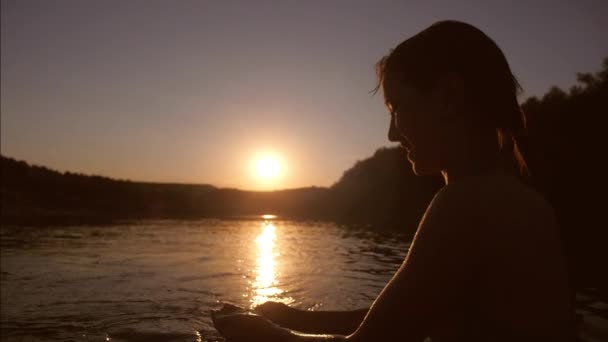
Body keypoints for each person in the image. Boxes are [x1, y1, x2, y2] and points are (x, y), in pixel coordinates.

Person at [211, 20, 575, 341]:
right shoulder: (516, 198)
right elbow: (411, 320)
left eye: (396, 108)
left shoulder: (468, 203)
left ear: (449, 97)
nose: (390, 134)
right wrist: (295, 317)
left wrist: (267, 335)